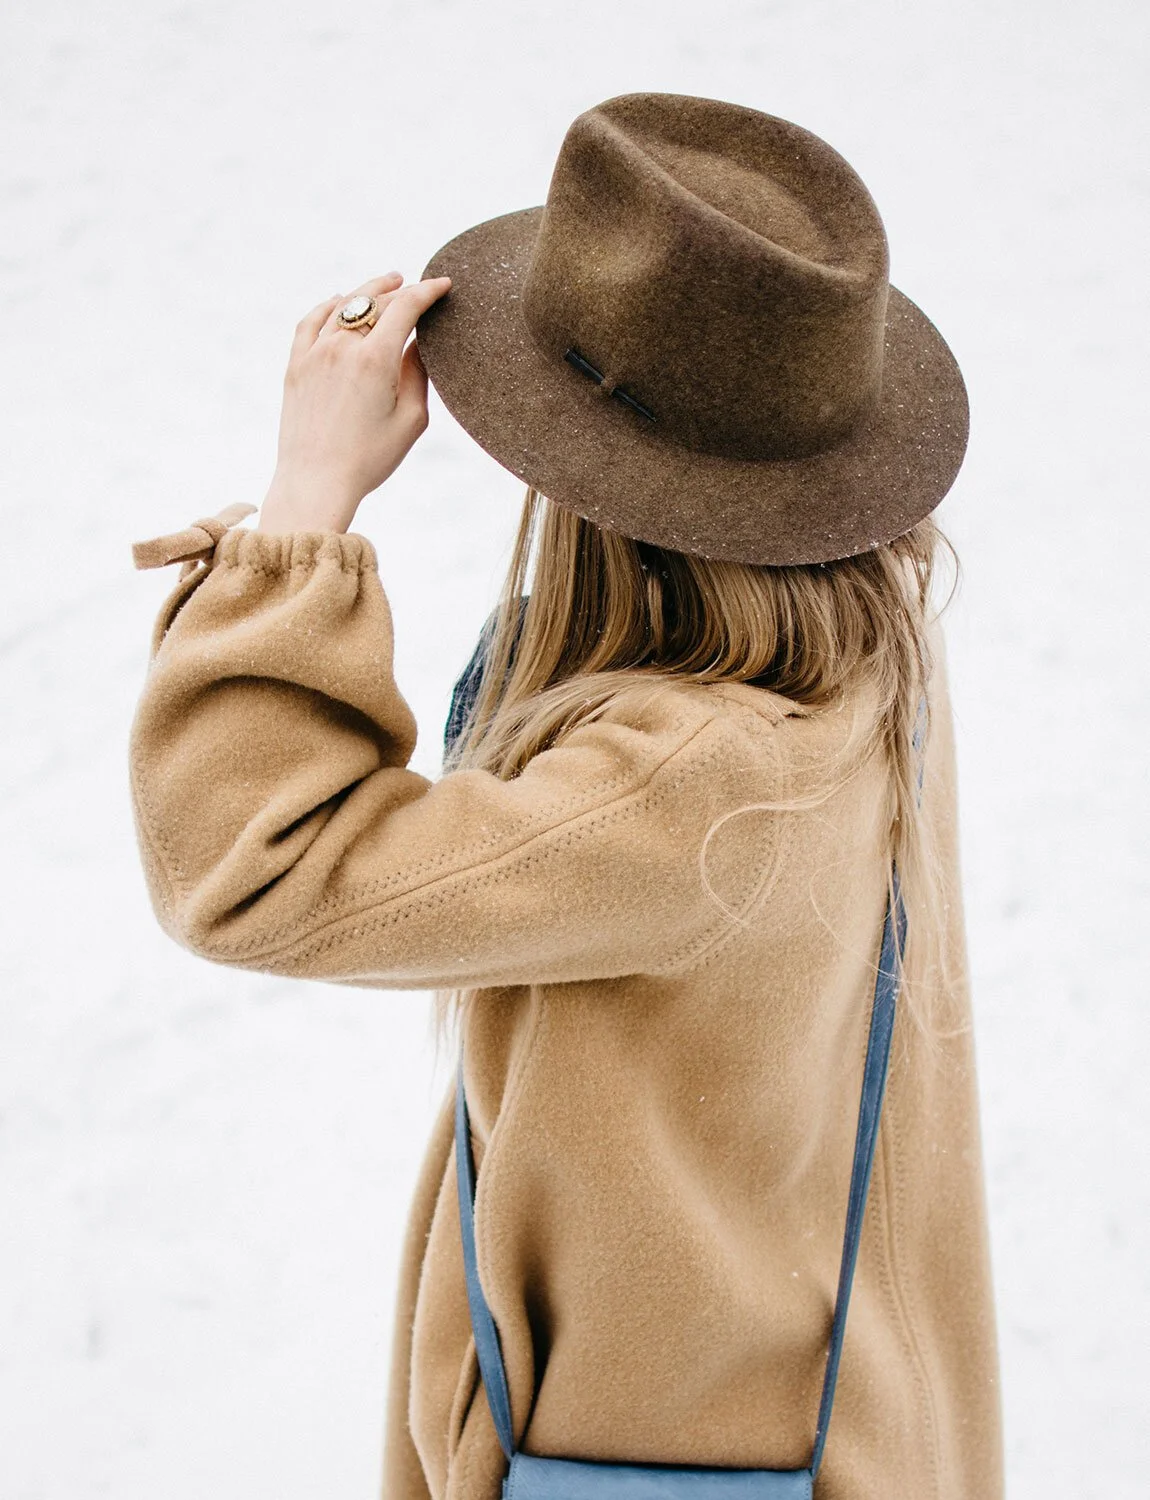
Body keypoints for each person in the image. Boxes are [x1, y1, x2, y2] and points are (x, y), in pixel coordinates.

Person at [128, 93, 1003, 1500]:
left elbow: (253, 870)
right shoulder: (866, 650)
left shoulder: (688, 786)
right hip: (844, 1414)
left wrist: (303, 507)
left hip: (645, 1447)